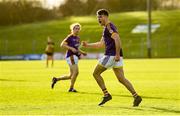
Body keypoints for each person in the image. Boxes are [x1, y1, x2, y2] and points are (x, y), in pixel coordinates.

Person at [82, 9, 142, 106]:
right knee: (121, 79)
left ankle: (106, 95)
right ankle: (136, 96)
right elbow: (100, 44)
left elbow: (117, 39)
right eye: (98, 17)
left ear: (105, 16)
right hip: (116, 56)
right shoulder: (106, 28)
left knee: (96, 73)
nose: (98, 19)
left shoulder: (109, 27)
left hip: (111, 55)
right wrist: (87, 45)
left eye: (100, 17)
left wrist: (117, 54)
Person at [51, 23, 87, 92]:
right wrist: (70, 48)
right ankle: (71, 88)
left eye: (78, 29)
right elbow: (62, 45)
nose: (77, 30)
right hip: (71, 56)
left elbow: (76, 48)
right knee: (76, 72)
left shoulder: (77, 38)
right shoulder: (70, 37)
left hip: (74, 56)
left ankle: (56, 79)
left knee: (71, 75)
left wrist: (82, 52)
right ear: (72, 29)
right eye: (76, 28)